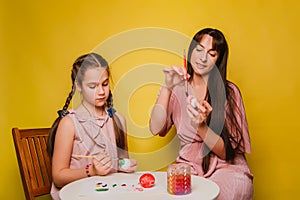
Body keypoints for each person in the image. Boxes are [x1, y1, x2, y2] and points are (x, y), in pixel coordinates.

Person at [149, 28, 253, 199]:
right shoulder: (176, 88)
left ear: (219, 59)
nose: (202, 58)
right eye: (198, 49)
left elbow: (227, 154)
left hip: (226, 169)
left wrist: (201, 126)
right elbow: (155, 128)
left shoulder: (229, 92)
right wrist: (167, 87)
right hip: (190, 169)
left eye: (211, 54)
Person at [47, 52, 137, 199]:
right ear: (79, 85)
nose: (101, 91)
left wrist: (124, 165)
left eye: (105, 84)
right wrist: (92, 171)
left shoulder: (117, 120)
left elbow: (122, 164)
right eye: (93, 86)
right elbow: (58, 176)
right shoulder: (69, 123)